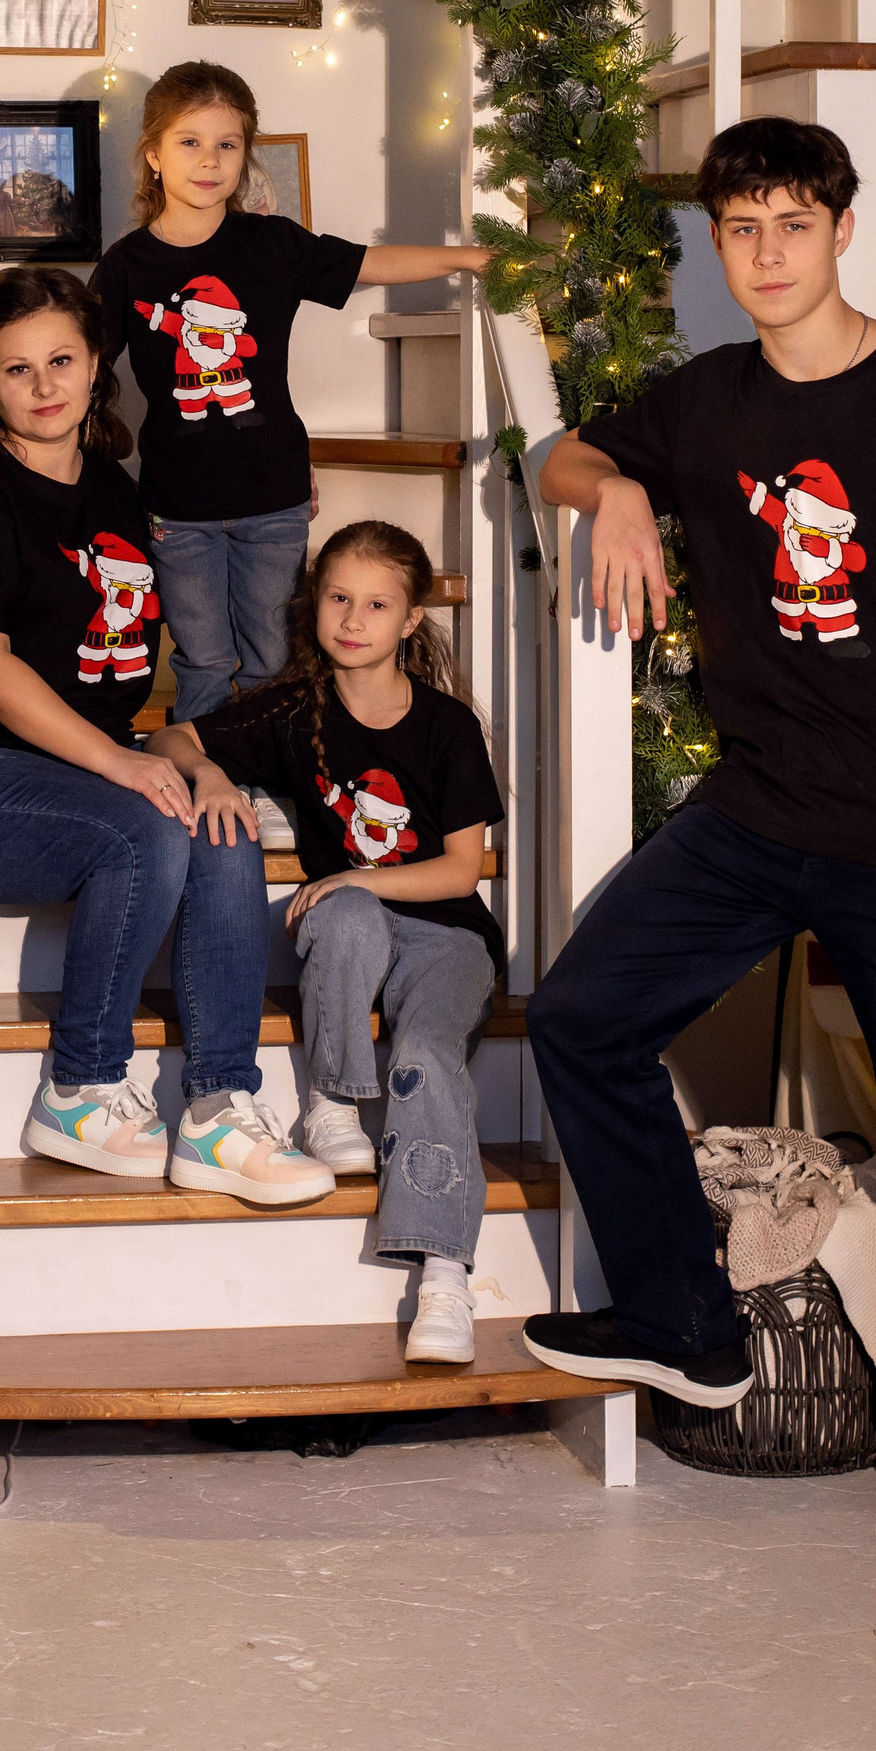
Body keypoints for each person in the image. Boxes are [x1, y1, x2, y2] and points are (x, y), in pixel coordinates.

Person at [521, 116, 876, 1565]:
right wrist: (620, 487)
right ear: (719, 242)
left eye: (792, 226)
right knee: (580, 1019)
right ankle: (688, 1324)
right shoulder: (704, 404)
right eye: (740, 229)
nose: (765, 254)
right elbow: (562, 457)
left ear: (841, 229)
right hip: (759, 813)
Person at [0, 265, 333, 1205]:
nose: (44, 386)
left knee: (221, 824)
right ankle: (80, 1086)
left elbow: (182, 633)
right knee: (145, 827)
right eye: (17, 370)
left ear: (98, 365)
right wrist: (125, 768)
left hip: (93, 767)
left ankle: (218, 1111)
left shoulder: (120, 494)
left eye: (61, 361)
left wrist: (193, 763)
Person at [148, 522, 506, 1362]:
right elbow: (170, 738)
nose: (353, 619)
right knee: (341, 918)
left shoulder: (448, 725)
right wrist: (209, 774)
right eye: (339, 598)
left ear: (410, 621)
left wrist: (357, 877)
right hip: (354, 931)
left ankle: (444, 1279)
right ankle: (333, 1104)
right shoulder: (293, 710)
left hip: (450, 938)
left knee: (424, 1053)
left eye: (377, 605)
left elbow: (462, 871)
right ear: (315, 605)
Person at [91, 60, 498, 726]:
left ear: (245, 155)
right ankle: (204, 777)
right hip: (177, 506)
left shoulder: (270, 243)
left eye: (228, 144)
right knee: (201, 660)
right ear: (154, 155)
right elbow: (81, 364)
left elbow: (366, 263)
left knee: (272, 658)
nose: (210, 159)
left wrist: (467, 258)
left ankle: (267, 768)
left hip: (272, 499)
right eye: (190, 141)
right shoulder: (126, 266)